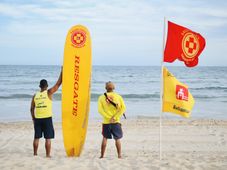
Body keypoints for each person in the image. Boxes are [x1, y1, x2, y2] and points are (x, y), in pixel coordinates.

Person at [30, 68, 62, 158]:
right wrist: (62, 72)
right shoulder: (49, 92)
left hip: (38, 119)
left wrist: (33, 119)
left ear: (39, 86)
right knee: (48, 138)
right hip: (47, 119)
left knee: (36, 137)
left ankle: (35, 154)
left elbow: (31, 109)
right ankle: (47, 155)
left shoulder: (35, 95)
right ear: (47, 86)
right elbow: (58, 84)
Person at [98, 81, 126, 158]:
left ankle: (102, 155)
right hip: (116, 121)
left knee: (104, 138)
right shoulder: (118, 97)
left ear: (105, 88)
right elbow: (123, 108)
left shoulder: (101, 97)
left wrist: (108, 117)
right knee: (117, 139)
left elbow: (100, 110)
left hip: (106, 122)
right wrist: (115, 117)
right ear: (114, 88)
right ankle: (119, 155)